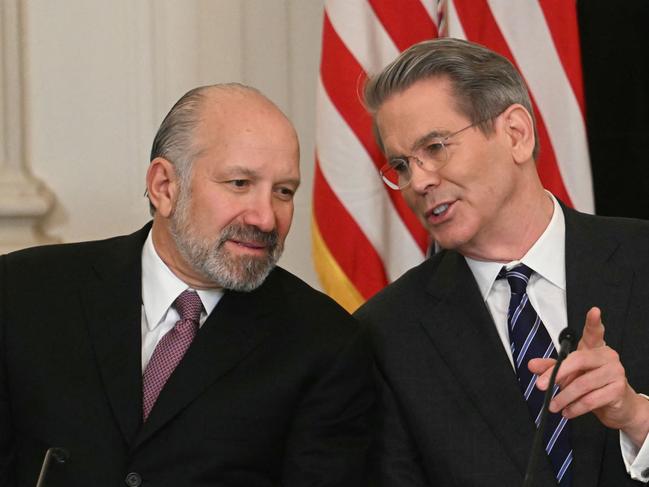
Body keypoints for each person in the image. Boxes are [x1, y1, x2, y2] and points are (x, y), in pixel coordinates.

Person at [0, 83, 373, 487]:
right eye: (240, 184)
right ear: (164, 187)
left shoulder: (324, 342)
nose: (266, 218)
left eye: (283, 191)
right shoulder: (22, 294)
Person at [355, 38, 649, 487]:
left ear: (515, 133)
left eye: (434, 147)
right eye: (401, 165)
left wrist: (636, 417)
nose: (419, 181)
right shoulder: (386, 332)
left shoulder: (641, 260)